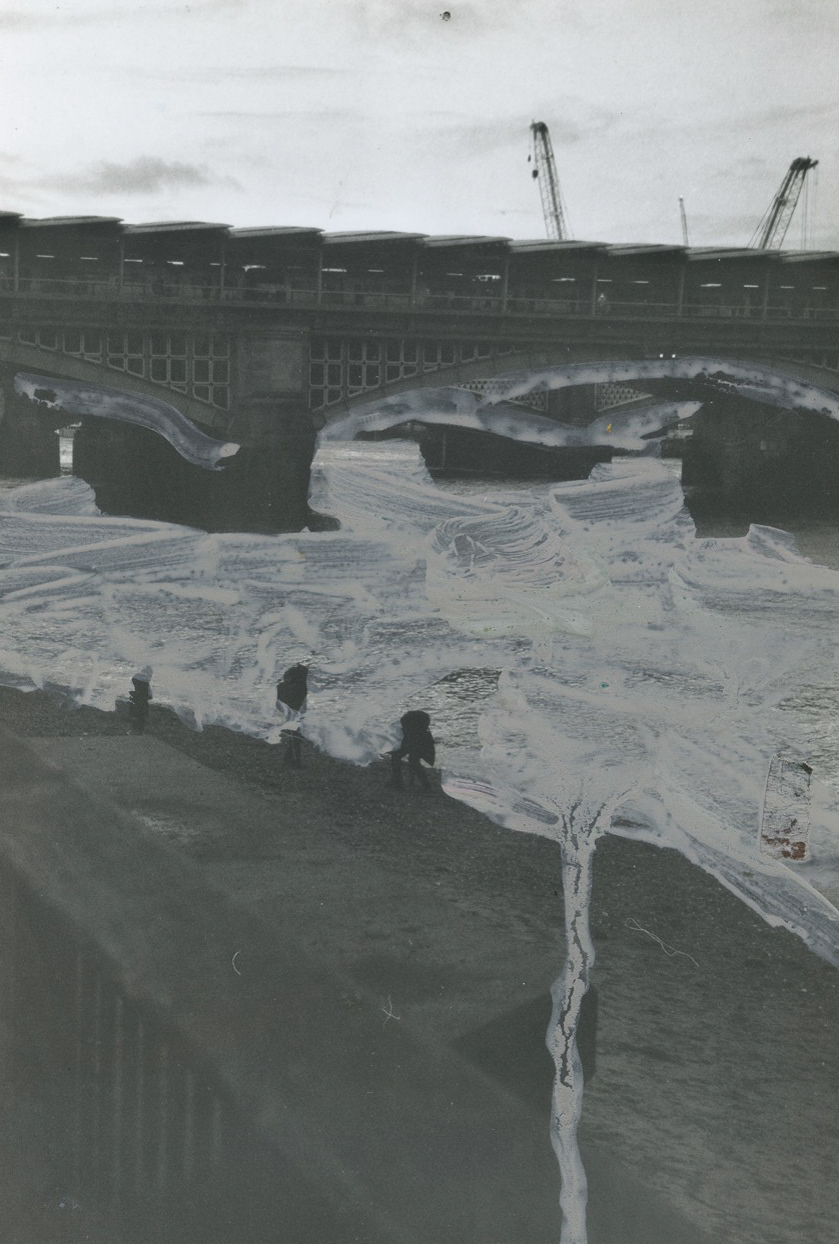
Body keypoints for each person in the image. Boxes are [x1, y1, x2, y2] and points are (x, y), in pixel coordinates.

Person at [390, 710, 435, 791]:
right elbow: (405, 742)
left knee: (413, 761)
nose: (403, 728)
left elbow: (414, 747)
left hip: (422, 746)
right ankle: (397, 781)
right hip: (413, 744)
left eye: (405, 726)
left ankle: (426, 785)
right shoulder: (410, 731)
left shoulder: (422, 735)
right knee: (397, 756)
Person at [276, 663, 309, 767]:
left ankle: (290, 758)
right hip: (295, 707)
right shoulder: (300, 675)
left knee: (295, 735)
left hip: (292, 707)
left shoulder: (292, 673)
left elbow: (280, 690)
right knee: (295, 735)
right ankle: (294, 760)